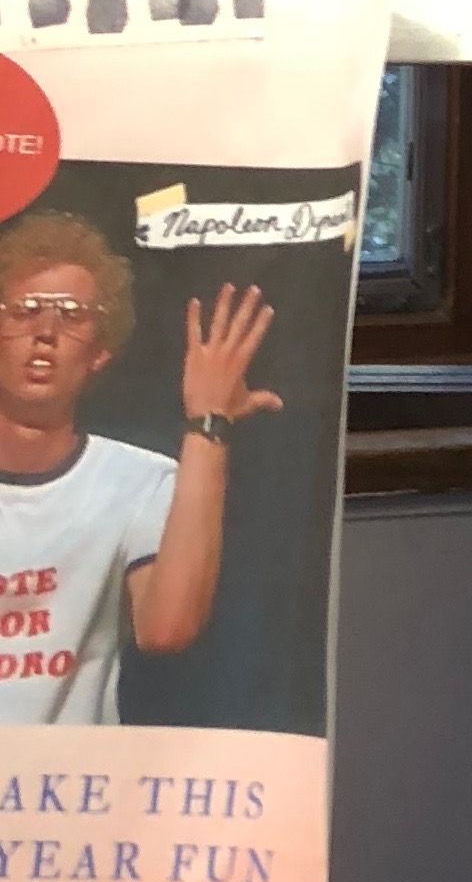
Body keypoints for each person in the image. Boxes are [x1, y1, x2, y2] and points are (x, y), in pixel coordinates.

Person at [0, 210, 276, 723]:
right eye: (25, 310)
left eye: (72, 315)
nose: (46, 331)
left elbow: (166, 629)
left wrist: (208, 425)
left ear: (99, 352)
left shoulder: (138, 482)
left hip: (72, 773)